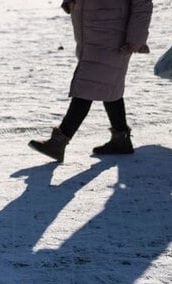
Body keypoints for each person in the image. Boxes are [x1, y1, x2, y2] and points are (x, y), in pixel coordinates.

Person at [29, 0, 153, 163]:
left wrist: (136, 38)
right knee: (106, 85)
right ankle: (121, 139)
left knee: (88, 86)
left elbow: (142, 3)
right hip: (94, 33)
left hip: (112, 35)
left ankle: (60, 141)